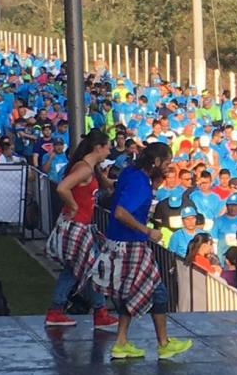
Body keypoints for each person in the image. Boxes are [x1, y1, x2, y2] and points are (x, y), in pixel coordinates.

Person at [91, 142, 193, 360]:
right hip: (131, 245)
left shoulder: (132, 172)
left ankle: (121, 342)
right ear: (155, 162)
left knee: (129, 293)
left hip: (121, 242)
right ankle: (163, 344)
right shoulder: (140, 183)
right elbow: (120, 212)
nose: (169, 167)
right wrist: (147, 231)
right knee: (159, 292)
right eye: (166, 163)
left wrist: (154, 185)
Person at [44, 129, 118, 329]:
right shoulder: (85, 168)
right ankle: (99, 311)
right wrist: (74, 206)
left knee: (74, 270)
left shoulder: (89, 167)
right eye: (107, 148)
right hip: (77, 226)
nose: (109, 152)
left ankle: (57, 310)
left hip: (80, 227)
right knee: (93, 269)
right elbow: (62, 187)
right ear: (98, 148)